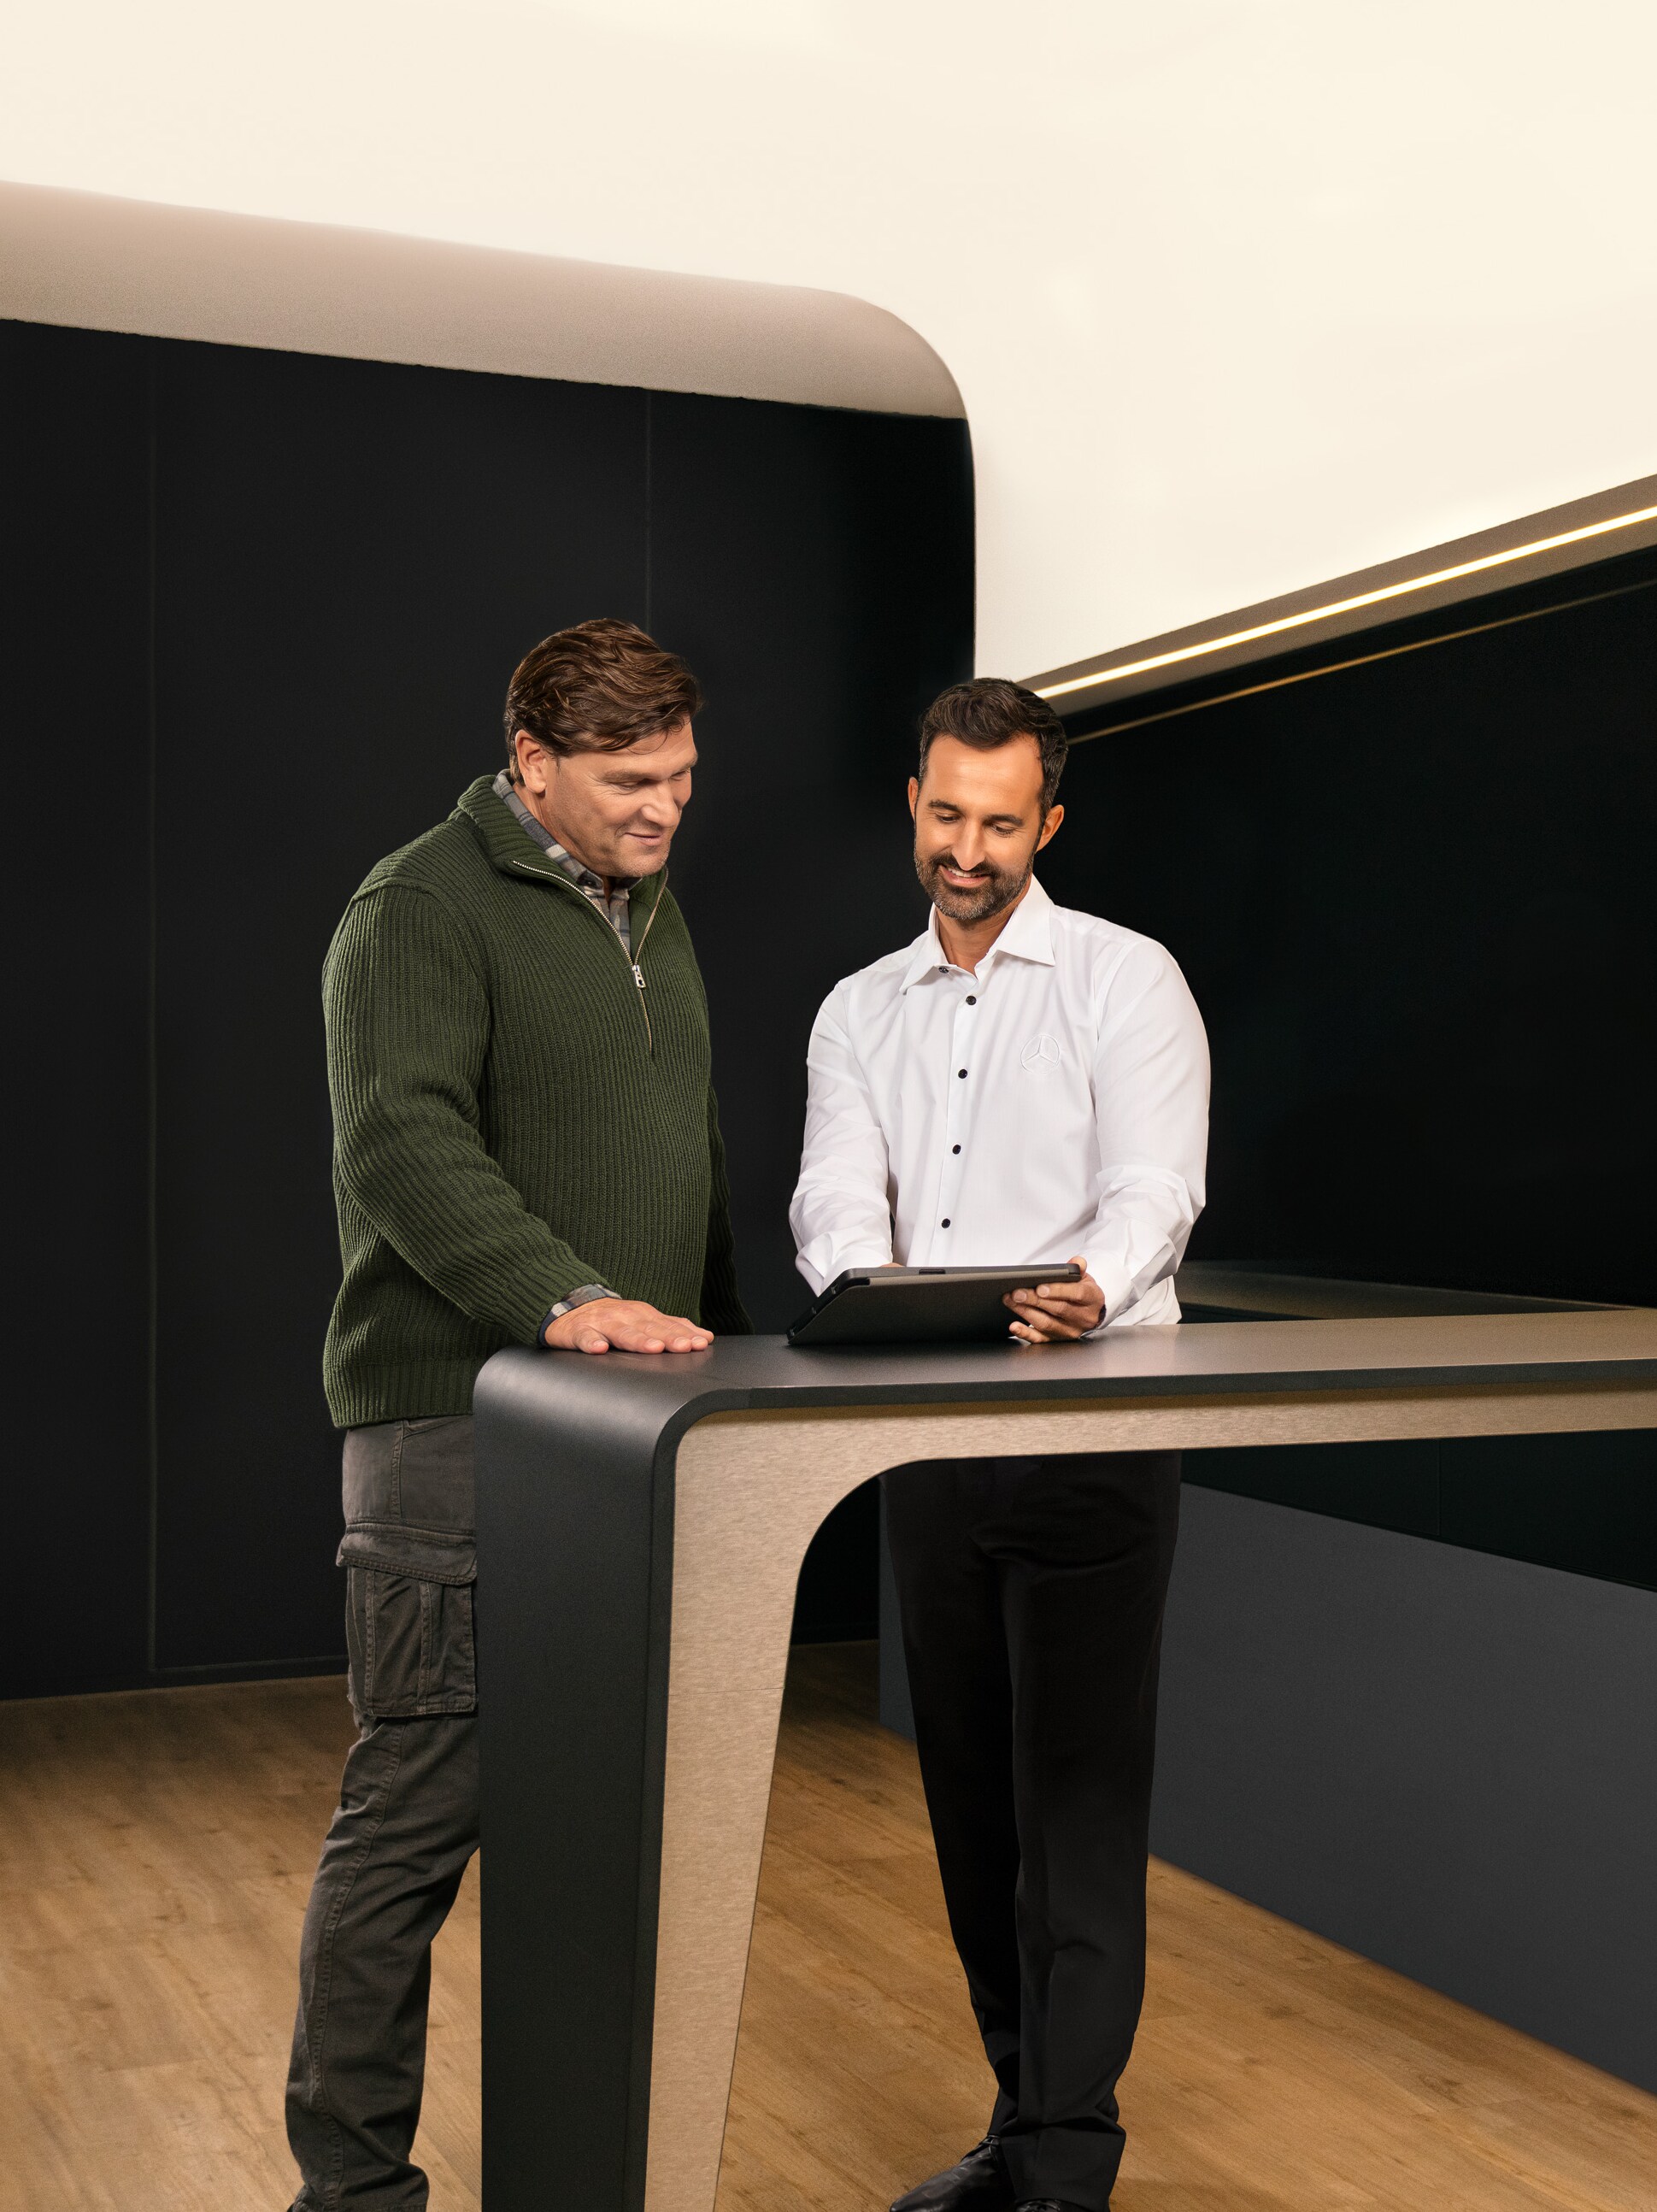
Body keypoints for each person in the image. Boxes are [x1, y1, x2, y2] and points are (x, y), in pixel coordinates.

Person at [286, 616, 748, 2210]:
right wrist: (563, 1301)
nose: (664, 809)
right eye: (630, 780)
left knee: (606, 1834)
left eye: (683, 777)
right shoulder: (417, 905)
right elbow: (399, 1147)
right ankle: (349, 2195)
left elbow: (677, 1153)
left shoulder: (648, 911)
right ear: (532, 764)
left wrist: (747, 1357)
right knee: (416, 1825)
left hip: (631, 1440)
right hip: (455, 1436)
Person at [790, 679, 1208, 2212]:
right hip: (929, 1443)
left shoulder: (1127, 979)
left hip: (1094, 1430)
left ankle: (1063, 2168)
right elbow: (838, 1191)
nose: (970, 850)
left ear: (1050, 821)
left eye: (1003, 822)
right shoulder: (857, 1009)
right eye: (947, 815)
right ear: (914, 799)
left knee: (1077, 1809)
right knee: (973, 1807)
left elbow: (1157, 1185)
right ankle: (1020, 2121)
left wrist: (1092, 1284)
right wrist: (862, 1283)